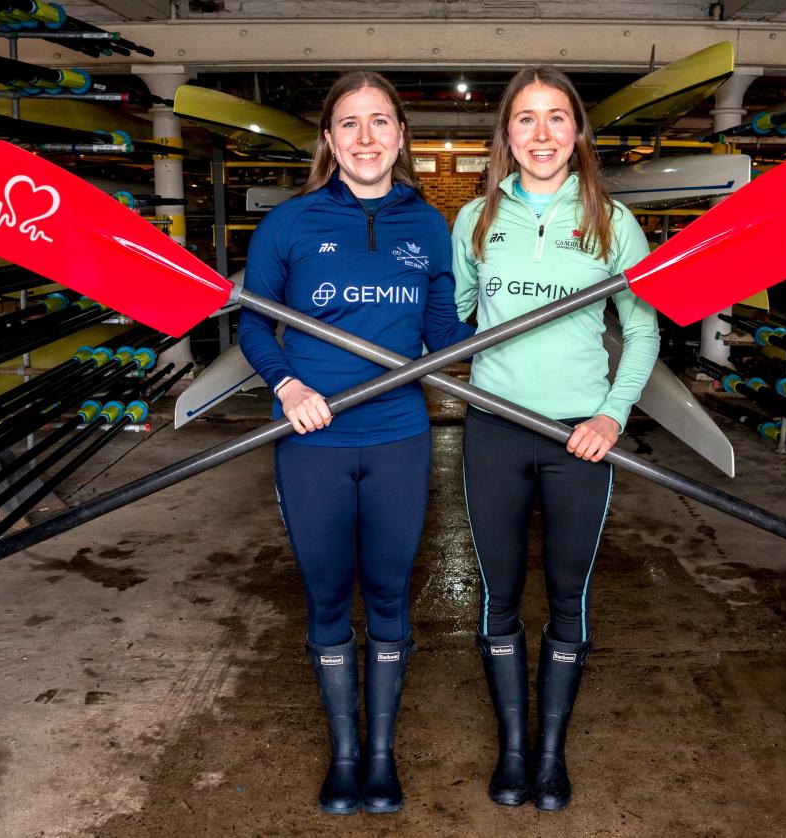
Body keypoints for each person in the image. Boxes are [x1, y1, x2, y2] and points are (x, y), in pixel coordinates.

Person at [238, 70, 474, 816]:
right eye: (350, 123)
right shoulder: (291, 222)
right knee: (328, 594)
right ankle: (344, 755)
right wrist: (288, 385)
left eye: (379, 122)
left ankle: (380, 756)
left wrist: (514, 325)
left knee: (390, 592)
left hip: (400, 436)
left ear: (401, 135)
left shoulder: (428, 225)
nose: (366, 137)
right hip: (313, 440)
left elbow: (443, 335)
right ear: (329, 140)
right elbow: (251, 322)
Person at [451, 65, 660, 811]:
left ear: (577, 132)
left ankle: (551, 756)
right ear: (506, 133)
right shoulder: (475, 220)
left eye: (556, 118)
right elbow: (460, 316)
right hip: (495, 432)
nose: (541, 134)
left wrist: (612, 414)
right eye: (526, 119)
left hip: (580, 438)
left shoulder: (612, 221)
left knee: (569, 594)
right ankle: (513, 751)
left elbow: (641, 328)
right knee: (499, 594)